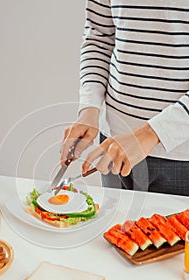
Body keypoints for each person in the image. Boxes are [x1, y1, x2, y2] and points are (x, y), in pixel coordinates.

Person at [60, 0, 189, 196]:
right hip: (114, 144)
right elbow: (99, 37)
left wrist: (150, 134)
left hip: (181, 156)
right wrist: (89, 109)